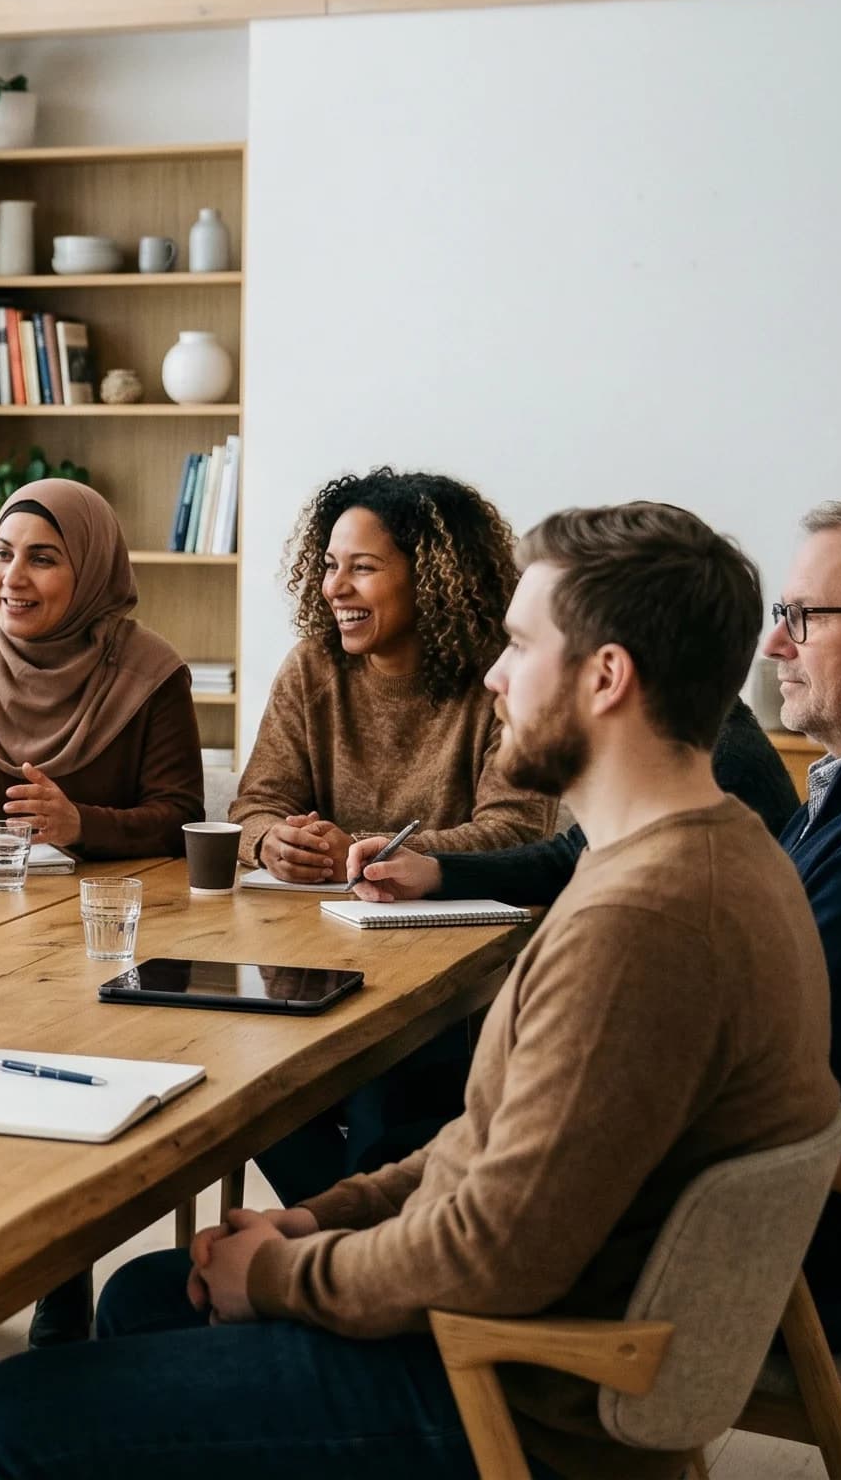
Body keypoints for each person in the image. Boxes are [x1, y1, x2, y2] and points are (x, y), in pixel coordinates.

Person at [0, 501, 841, 1480]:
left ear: (604, 678)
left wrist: (285, 1275)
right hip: (521, 1322)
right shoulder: (705, 854)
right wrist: (314, 1220)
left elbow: (487, 1251)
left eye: (516, 646)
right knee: (147, 1300)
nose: (494, 677)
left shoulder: (644, 924)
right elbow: (482, 1149)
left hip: (509, 1393)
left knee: (3, 1413)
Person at [360, 495, 841, 1352]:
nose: (773, 645)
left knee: (383, 1107)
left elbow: (767, 1074)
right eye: (777, 615)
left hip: (771, 1267)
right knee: (416, 1108)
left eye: (804, 616)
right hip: (777, 1236)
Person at [224, 468, 558, 1223]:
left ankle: (350, 1249)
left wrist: (370, 850)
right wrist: (275, 841)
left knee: (380, 1093)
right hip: (313, 955)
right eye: (330, 564)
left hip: (450, 970)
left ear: (434, 578)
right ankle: (342, 1238)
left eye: (363, 567)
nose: (334, 587)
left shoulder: (499, 680)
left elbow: (516, 830)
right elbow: (254, 806)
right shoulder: (313, 668)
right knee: (246, 1087)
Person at [0, 478, 205, 857]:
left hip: (104, 906)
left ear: (92, 572)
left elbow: (182, 822)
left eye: (42, 559)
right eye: (2, 554)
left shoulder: (152, 674)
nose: (12, 578)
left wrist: (80, 825)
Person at [346, 699, 797, 907]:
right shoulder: (698, 737)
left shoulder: (707, 768)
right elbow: (573, 857)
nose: (497, 674)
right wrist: (436, 872)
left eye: (528, 643)